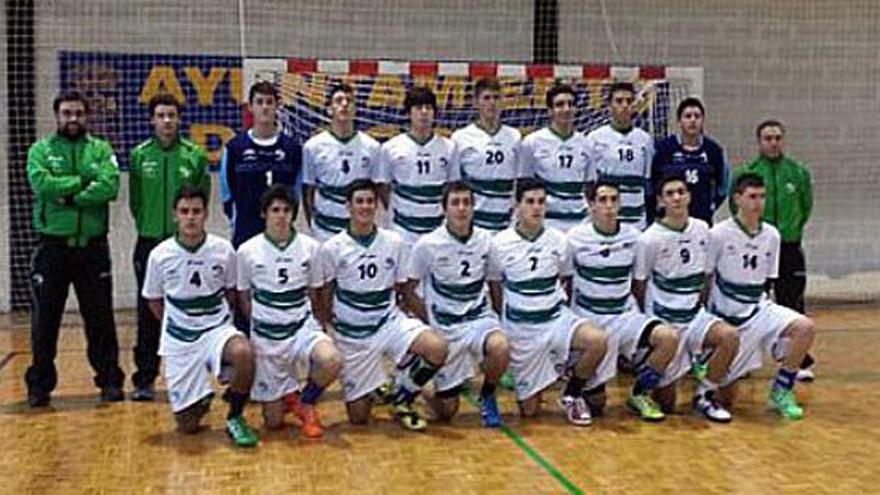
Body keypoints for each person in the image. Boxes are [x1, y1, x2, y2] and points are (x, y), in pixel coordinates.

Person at [317, 179, 449, 431]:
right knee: (358, 417)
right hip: (353, 335)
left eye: (370, 201)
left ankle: (403, 394)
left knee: (437, 347)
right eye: (359, 202)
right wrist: (331, 329)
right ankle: (377, 385)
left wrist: (422, 321)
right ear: (348, 207)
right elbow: (326, 293)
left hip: (387, 322)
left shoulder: (394, 242)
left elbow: (402, 289)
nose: (365, 207)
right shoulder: (332, 248)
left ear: (377, 205)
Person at [25, 90, 125, 407]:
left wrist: (66, 193)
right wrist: (83, 182)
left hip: (92, 249)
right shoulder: (40, 151)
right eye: (67, 113)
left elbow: (109, 186)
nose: (73, 119)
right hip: (52, 248)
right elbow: (41, 184)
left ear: (87, 116)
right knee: (45, 322)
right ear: (57, 115)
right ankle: (40, 385)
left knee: (100, 320)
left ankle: (109, 381)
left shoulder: (100, 149)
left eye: (79, 113)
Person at [142, 186, 259, 447]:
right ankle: (200, 398)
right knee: (188, 426)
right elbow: (153, 299)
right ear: (175, 215)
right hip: (180, 339)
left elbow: (230, 292)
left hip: (216, 330)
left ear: (206, 214)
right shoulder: (160, 255)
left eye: (196, 211)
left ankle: (235, 415)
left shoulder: (223, 249)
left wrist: (217, 324)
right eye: (185, 211)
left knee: (244, 352)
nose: (191, 217)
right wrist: (176, 326)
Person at [487, 178, 607, 426]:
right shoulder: (499, 243)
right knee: (529, 412)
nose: (536, 207)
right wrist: (506, 323)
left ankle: (572, 393)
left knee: (597, 340)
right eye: (530, 202)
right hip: (522, 330)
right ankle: (551, 366)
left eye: (541, 202)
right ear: (516, 205)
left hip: (555, 319)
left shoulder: (559, 240)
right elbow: (495, 285)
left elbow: (566, 279)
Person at [567, 179, 679, 422]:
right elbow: (565, 280)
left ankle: (640, 393)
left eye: (614, 200)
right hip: (590, 318)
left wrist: (641, 315)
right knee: (597, 406)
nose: (609, 206)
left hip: (623, 315)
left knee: (669, 338)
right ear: (591, 205)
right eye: (603, 200)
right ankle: (573, 391)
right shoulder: (575, 238)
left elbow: (639, 282)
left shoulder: (634, 237)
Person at [237, 184, 342, 437]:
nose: (281, 215)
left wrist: (321, 325)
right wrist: (262, 327)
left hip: (301, 327)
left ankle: (306, 400)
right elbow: (244, 297)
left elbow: (315, 292)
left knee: (331, 359)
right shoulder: (247, 251)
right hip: (267, 336)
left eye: (286, 210)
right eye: (275, 210)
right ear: (264, 214)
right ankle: (287, 395)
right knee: (273, 423)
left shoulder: (310, 247)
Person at [632, 174, 740, 422]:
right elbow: (640, 283)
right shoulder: (649, 239)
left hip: (695, 316)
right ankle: (643, 388)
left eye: (681, 191)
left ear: (689, 196)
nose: (677, 198)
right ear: (660, 200)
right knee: (667, 404)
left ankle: (705, 395)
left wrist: (702, 305)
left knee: (729, 337)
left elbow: (708, 274)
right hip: (667, 319)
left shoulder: (702, 229)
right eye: (669, 194)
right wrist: (651, 323)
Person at [403, 182, 510, 427]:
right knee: (447, 413)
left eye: (466, 203)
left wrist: (498, 318)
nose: (461, 209)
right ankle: (422, 384)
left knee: (501, 347)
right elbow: (408, 290)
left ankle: (487, 394)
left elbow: (494, 282)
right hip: (446, 327)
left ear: (473, 207)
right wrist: (429, 323)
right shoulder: (427, 244)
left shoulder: (486, 241)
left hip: (478, 319)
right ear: (444, 209)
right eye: (455, 203)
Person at [710, 173, 816, 419]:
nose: (758, 202)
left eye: (762, 196)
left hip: (758, 308)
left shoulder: (772, 235)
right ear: (737, 199)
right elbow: (707, 277)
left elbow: (768, 281)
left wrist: (774, 331)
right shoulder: (719, 233)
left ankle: (782, 389)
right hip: (729, 317)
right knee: (726, 399)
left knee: (804, 327)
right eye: (752, 196)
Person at [128, 93, 211, 401]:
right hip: (149, 243)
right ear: (152, 119)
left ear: (179, 119)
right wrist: (150, 227)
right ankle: (145, 378)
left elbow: (203, 197)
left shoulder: (194, 155)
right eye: (161, 115)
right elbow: (135, 201)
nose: (166, 121)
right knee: (147, 311)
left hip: (185, 245)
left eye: (171, 115)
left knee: (191, 308)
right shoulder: (139, 155)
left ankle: (199, 376)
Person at [732, 120, 815, 381]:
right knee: (751, 303)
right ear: (759, 142)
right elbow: (737, 208)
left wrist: (790, 230)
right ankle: (742, 358)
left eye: (778, 137)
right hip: (757, 247)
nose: (773, 142)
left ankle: (795, 360)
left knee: (792, 302)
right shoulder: (749, 172)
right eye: (768, 138)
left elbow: (806, 205)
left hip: (789, 247)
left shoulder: (797, 172)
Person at [221, 81, 302, 248]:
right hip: (245, 231)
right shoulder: (235, 148)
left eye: (269, 102)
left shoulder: (292, 149)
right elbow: (226, 193)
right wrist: (236, 218)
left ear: (277, 106)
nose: (265, 107)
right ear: (250, 107)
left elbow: (296, 191)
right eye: (259, 102)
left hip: (281, 231)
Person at [378, 86, 458, 246]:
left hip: (438, 230)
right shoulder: (391, 147)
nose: (424, 112)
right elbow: (383, 189)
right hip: (403, 231)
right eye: (418, 107)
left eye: (428, 108)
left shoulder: (450, 147)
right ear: (408, 113)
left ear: (435, 113)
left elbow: (452, 187)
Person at [303, 83, 381, 241]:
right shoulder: (313, 146)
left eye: (349, 100)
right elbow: (308, 190)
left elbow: (377, 189)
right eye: (339, 100)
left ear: (355, 109)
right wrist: (312, 224)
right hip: (324, 231)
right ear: (329, 109)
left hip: (359, 232)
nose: (344, 104)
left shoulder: (372, 147)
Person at [519, 83, 595, 232]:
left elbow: (590, 186)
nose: (566, 109)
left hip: (580, 223)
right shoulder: (532, 142)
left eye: (571, 104)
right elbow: (524, 185)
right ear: (550, 111)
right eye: (560, 105)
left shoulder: (587, 143)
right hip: (547, 223)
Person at [451, 77, 521, 232]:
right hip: (475, 224)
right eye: (486, 98)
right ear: (476, 102)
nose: (492, 103)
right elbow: (455, 183)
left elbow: (519, 181)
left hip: (507, 224)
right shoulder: (460, 137)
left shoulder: (514, 136)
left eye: (496, 97)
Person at [584, 82, 654, 230]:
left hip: (636, 219)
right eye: (619, 101)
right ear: (609, 105)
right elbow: (589, 182)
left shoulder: (645, 139)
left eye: (629, 101)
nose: (624, 105)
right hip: (605, 217)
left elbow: (647, 181)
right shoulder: (595, 138)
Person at [649, 97, 729, 225]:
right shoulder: (664, 149)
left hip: (702, 219)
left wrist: (710, 206)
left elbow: (723, 187)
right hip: (669, 220)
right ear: (679, 121)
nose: (693, 120)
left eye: (697, 116)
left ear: (703, 121)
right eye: (688, 116)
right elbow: (653, 183)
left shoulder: (714, 150)